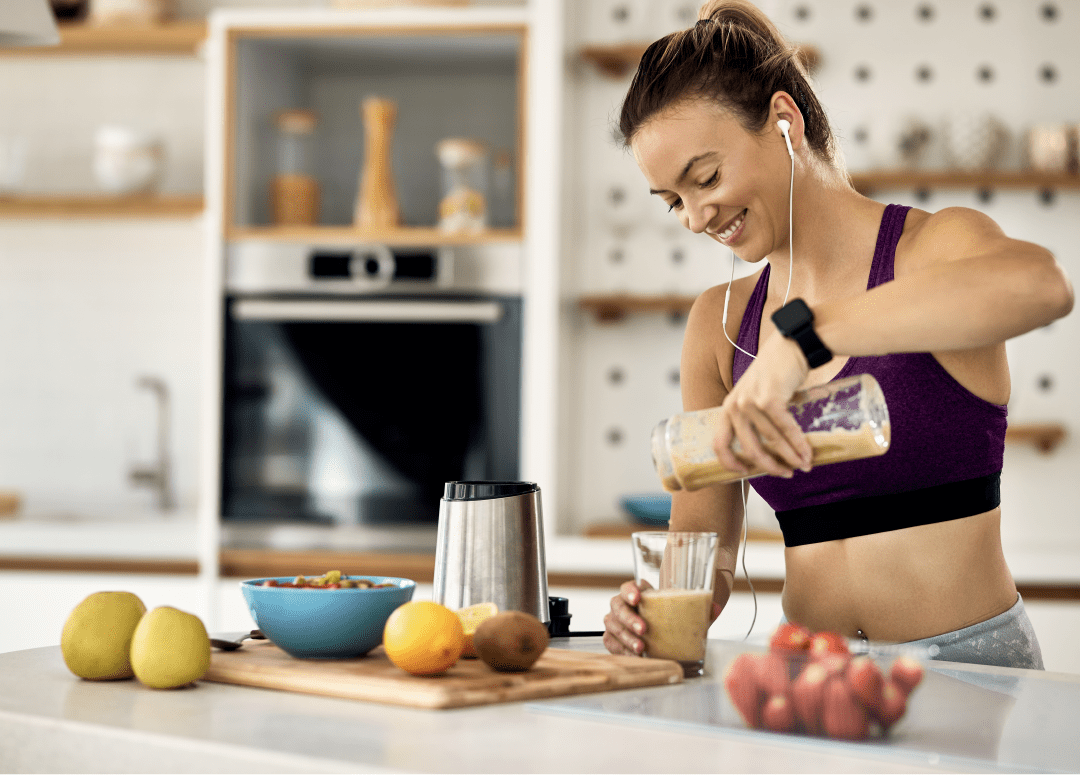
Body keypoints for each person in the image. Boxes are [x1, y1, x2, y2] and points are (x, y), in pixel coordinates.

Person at [602, 0, 1074, 670]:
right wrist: (657, 608)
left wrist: (805, 339)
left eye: (705, 177)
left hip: (972, 673)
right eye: (674, 200)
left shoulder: (930, 250)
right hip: (810, 675)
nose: (695, 217)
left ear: (783, 119)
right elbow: (704, 555)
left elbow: (1042, 287)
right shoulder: (722, 324)